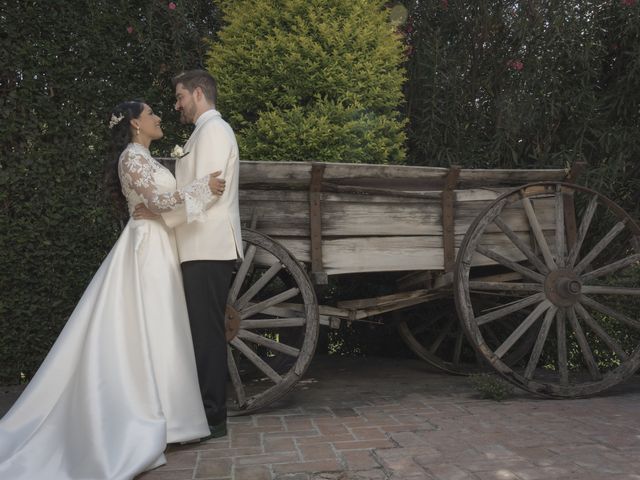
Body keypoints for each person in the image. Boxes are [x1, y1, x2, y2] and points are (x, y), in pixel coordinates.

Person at [0, 100, 227, 479]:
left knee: (164, 327)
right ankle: (149, 416)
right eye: (152, 113)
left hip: (160, 245)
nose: (159, 117)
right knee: (148, 326)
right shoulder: (131, 158)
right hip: (145, 249)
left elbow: (157, 205)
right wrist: (201, 188)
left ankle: (172, 416)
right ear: (136, 124)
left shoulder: (148, 159)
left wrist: (177, 199)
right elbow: (153, 202)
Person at [137, 70, 243, 439]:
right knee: (201, 331)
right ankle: (206, 410)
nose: (177, 104)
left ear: (198, 94)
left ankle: (214, 416)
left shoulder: (214, 131)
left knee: (207, 333)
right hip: (197, 244)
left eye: (181, 96)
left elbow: (211, 190)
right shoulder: (203, 132)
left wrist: (162, 216)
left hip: (208, 245)